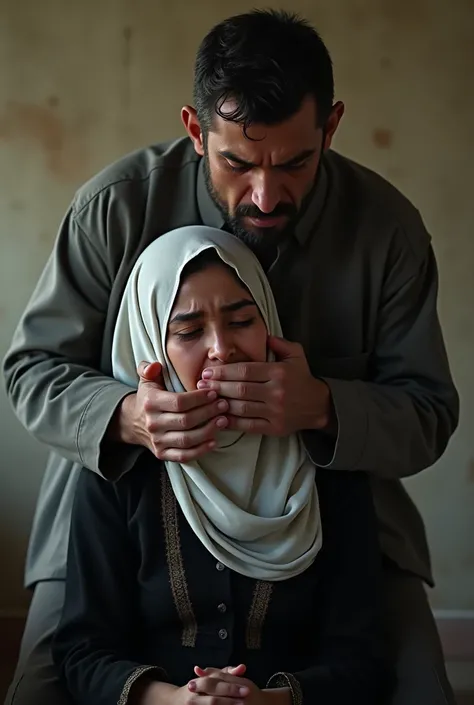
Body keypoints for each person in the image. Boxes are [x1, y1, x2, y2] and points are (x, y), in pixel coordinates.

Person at [2, 8, 459, 705]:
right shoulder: (114, 209)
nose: (266, 193)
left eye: (296, 162)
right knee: (42, 688)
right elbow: (31, 371)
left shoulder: (387, 232)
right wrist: (127, 416)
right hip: (122, 513)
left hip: (336, 519)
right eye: (238, 163)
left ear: (330, 127)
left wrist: (323, 407)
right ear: (195, 130)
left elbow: (429, 411)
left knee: (421, 687)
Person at [51, 225, 389, 705]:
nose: (222, 349)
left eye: (242, 321)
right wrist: (176, 701)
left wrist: (269, 702)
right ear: (152, 351)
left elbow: (363, 656)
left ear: (270, 323)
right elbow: (82, 652)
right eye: (188, 331)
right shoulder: (120, 473)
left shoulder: (327, 461)